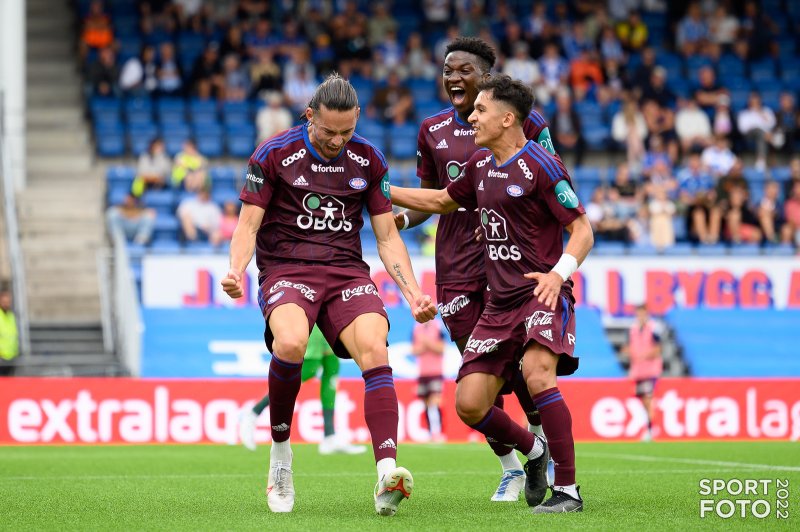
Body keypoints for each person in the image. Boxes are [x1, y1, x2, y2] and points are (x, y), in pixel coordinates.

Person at [220, 73, 436, 516]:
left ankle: (387, 472)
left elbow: (388, 238)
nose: (338, 140)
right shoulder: (275, 153)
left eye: (347, 131)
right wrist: (235, 270)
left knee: (376, 346)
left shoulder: (369, 160)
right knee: (292, 343)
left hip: (345, 272)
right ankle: (281, 455)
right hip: (287, 269)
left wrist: (412, 292)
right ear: (309, 116)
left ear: (357, 120)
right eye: (328, 131)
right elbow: (247, 225)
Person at [391, 74, 594, 513]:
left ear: (507, 118)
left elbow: (582, 230)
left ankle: (569, 491)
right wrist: (381, 190)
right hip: (498, 305)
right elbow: (443, 200)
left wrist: (558, 274)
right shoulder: (480, 165)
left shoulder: (542, 165)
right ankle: (534, 452)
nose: (472, 117)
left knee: (539, 375)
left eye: (480, 110)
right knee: (468, 404)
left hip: (540, 295)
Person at [238, 325, 366, 454]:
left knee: (331, 369)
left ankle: (329, 436)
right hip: (315, 317)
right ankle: (253, 412)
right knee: (309, 368)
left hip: (331, 316)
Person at [620, 304, 662, 442]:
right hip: (638, 372)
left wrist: (643, 355)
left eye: (642, 313)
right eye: (638, 314)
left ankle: (650, 430)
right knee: (643, 400)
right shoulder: (632, 329)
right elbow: (627, 347)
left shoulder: (653, 328)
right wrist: (628, 352)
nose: (640, 316)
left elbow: (658, 349)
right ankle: (649, 427)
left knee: (648, 399)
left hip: (650, 370)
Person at [411, 319, 446, 442]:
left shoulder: (437, 326)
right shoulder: (416, 328)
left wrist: (427, 342)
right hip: (422, 372)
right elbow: (413, 350)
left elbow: (441, 348)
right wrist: (426, 346)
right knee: (426, 403)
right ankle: (431, 432)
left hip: (436, 371)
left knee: (435, 401)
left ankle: (438, 432)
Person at [0, 285, 19, 376]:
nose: (6, 304)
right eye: (4, 302)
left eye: (8, 302)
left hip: (11, 357)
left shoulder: (11, 315)